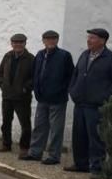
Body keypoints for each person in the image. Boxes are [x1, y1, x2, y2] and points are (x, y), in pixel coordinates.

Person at [66, 28, 112, 179]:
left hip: (96, 105)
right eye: (89, 37)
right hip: (80, 102)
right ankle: (81, 164)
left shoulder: (110, 58)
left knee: (95, 137)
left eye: (92, 38)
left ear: (102, 41)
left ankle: (97, 168)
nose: (89, 40)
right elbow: (75, 74)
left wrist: (104, 96)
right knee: (79, 135)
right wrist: (73, 90)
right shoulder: (84, 55)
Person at [19, 30, 74, 164]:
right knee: (39, 127)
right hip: (42, 98)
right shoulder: (40, 55)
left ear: (57, 40)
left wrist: (62, 90)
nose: (51, 41)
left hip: (57, 99)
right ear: (43, 41)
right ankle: (35, 152)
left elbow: (71, 76)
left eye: (54, 39)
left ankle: (54, 156)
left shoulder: (64, 56)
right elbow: (35, 73)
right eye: (48, 39)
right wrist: (36, 89)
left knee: (56, 129)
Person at [0, 33, 34, 153]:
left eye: (20, 42)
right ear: (12, 44)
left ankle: (24, 148)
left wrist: (25, 88)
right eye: (15, 42)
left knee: (25, 124)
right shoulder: (7, 56)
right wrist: (2, 85)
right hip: (7, 95)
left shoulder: (30, 58)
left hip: (22, 97)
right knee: (6, 122)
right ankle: (6, 144)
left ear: (25, 43)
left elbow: (34, 77)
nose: (18, 45)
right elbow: (0, 73)